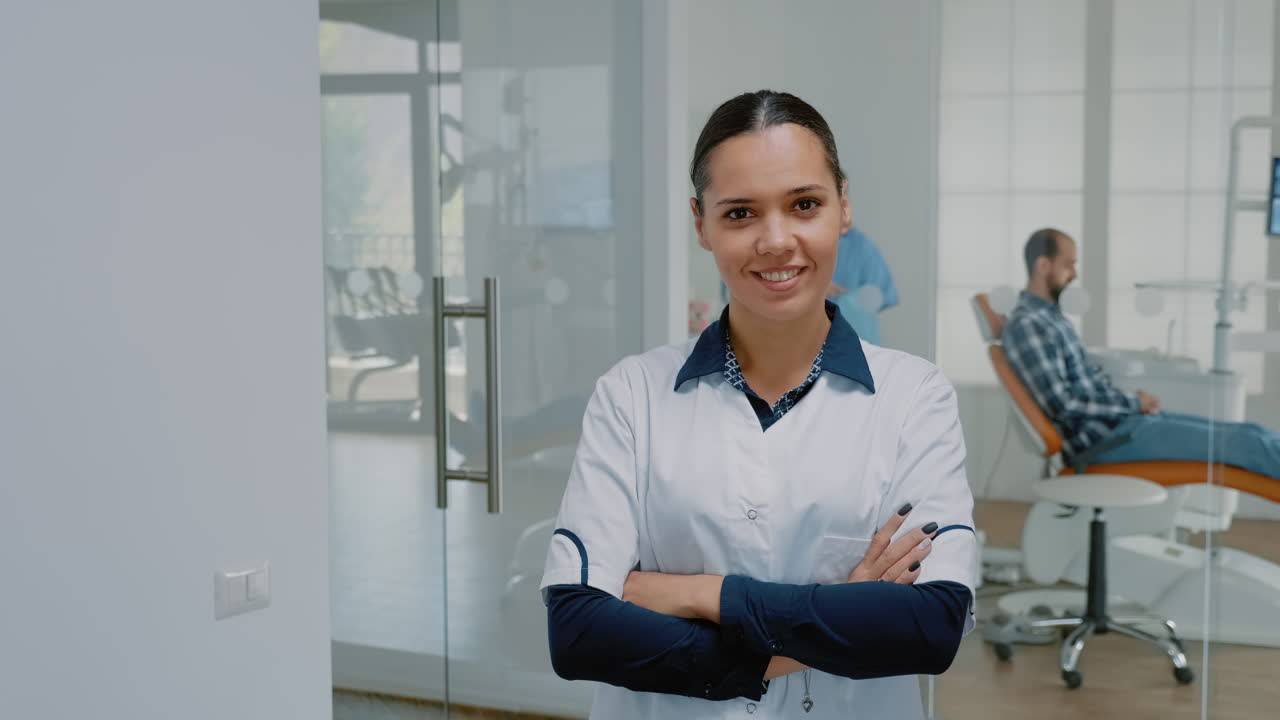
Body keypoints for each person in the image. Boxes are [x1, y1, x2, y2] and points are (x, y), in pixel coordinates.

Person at [540, 90, 977, 719]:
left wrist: (701, 594)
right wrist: (844, 607)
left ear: (844, 205)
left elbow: (929, 627)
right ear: (701, 223)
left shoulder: (915, 397)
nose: (776, 240)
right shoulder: (631, 395)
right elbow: (579, 633)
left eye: (805, 204)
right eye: (741, 213)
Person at [1002, 228, 1280, 478]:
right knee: (1248, 444)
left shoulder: (1051, 318)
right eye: (1068, 264)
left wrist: (1134, 401)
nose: (1074, 274)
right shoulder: (1028, 325)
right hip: (1105, 440)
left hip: (1121, 425)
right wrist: (1133, 403)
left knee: (1252, 431)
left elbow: (1085, 386)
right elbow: (1064, 405)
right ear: (1043, 265)